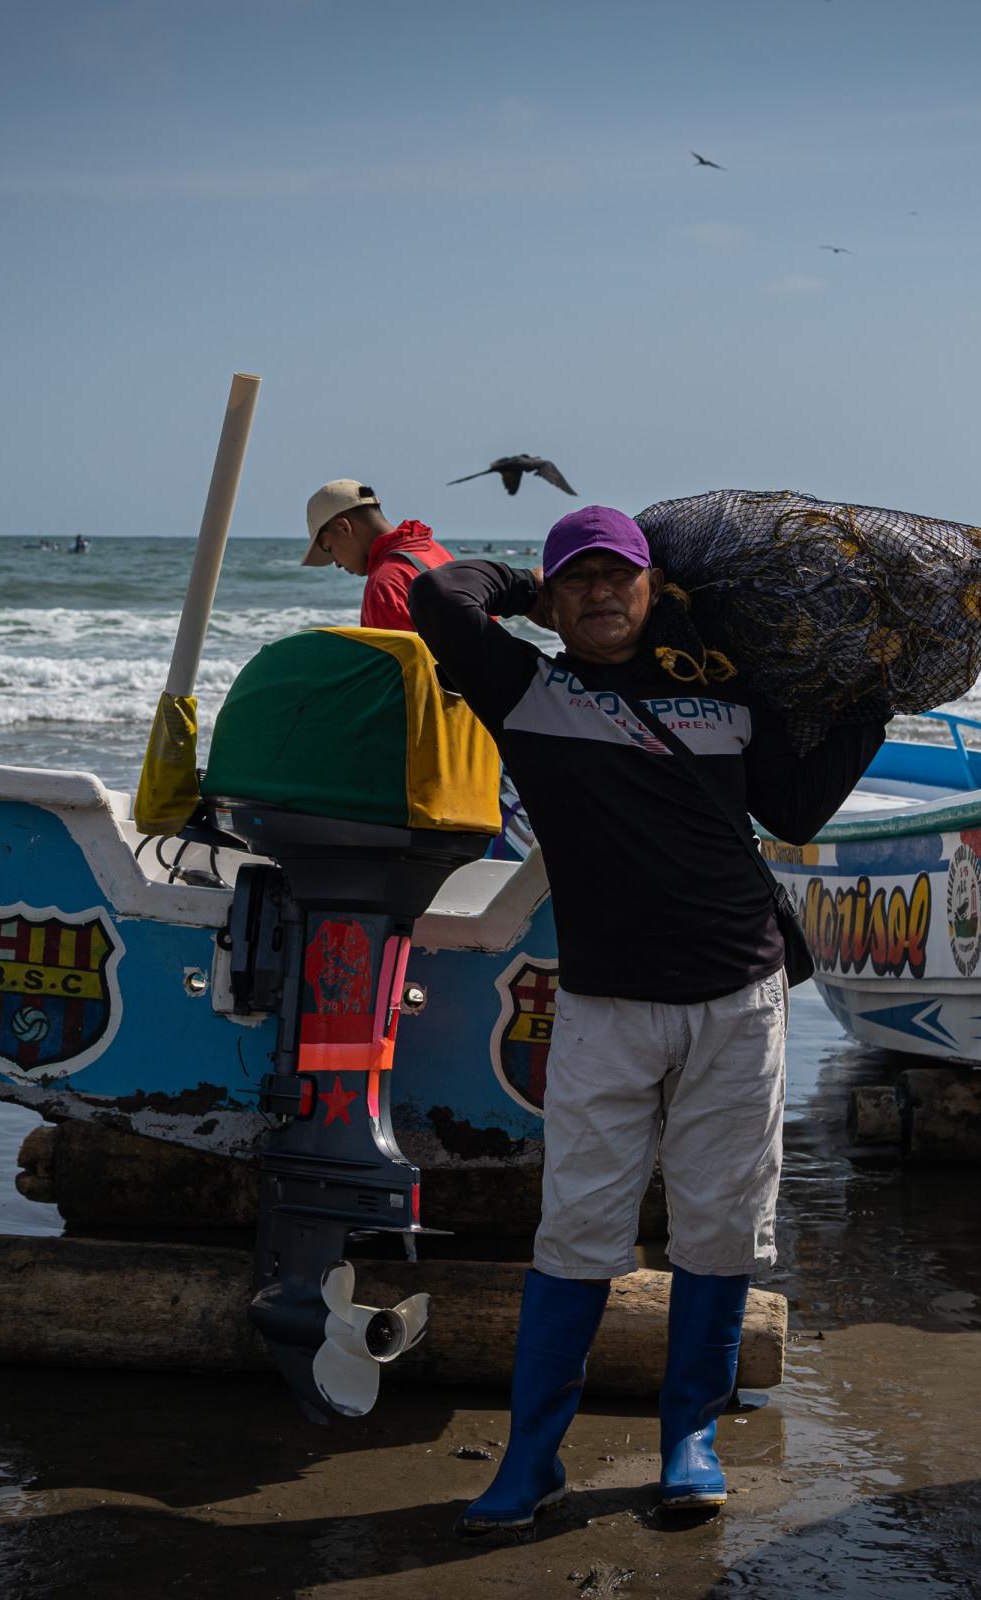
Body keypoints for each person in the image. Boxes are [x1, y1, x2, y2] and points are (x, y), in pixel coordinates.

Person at [411, 506, 883, 1534]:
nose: (598, 594)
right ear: (552, 595)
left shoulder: (722, 690)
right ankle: (532, 1458)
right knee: (577, 1231)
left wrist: (866, 711)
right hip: (605, 1010)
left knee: (721, 1226)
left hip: (739, 1001)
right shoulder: (529, 689)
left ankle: (689, 1438)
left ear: (652, 585)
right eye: (575, 580)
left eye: (616, 575)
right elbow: (437, 598)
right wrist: (519, 589)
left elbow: (794, 812)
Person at [303, 478, 453, 631]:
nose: (337, 563)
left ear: (343, 527)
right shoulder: (436, 551)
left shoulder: (383, 587)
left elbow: (395, 656)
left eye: (329, 548)